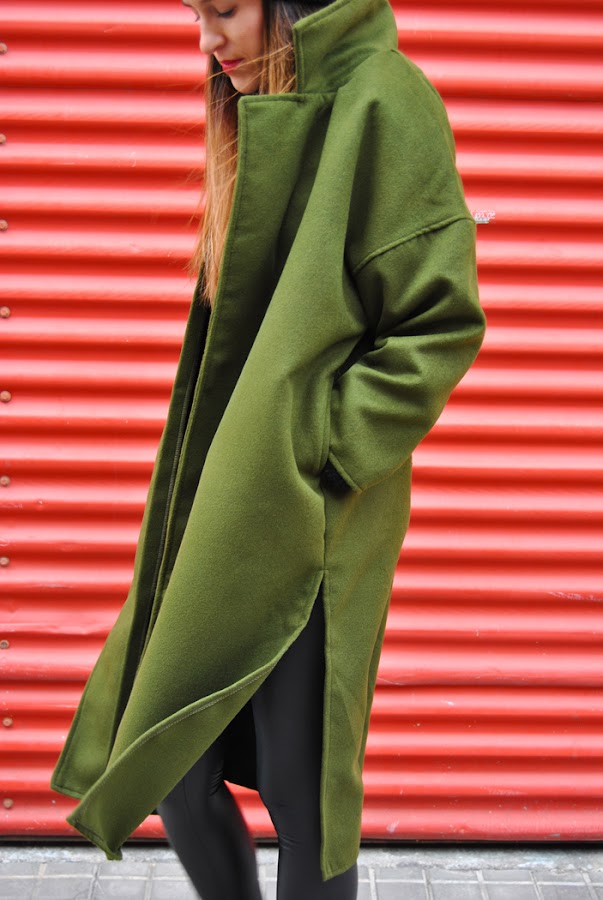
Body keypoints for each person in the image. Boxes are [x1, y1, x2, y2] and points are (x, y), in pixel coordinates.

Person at [50, 0, 487, 897]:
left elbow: (438, 324)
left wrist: (315, 445)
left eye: (225, 10)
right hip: (225, 500)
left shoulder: (385, 100)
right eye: (195, 13)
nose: (208, 41)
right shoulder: (261, 107)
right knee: (172, 764)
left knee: (302, 796)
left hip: (312, 517)